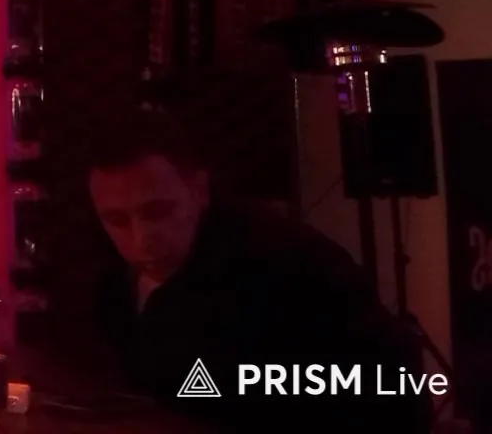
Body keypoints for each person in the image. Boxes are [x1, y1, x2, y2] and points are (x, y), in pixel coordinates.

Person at [72, 109, 430, 433]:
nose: (142, 239)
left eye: (158, 212)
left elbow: (395, 388)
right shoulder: (108, 278)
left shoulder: (293, 267)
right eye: (117, 220)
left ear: (199, 192)